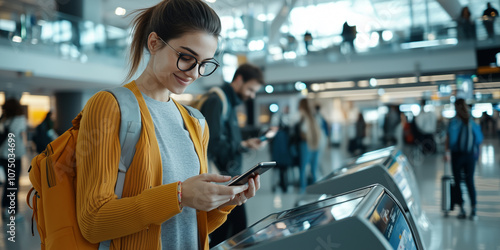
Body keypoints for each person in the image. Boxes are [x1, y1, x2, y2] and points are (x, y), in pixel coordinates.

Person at [75, 1, 260, 249]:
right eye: (186, 57)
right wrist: (179, 195)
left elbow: (189, 224)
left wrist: (225, 202)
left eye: (204, 63)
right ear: (154, 43)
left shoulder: (195, 122)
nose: (194, 73)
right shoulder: (111, 106)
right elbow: (93, 221)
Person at [198, 63, 265, 247]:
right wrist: (241, 145)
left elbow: (227, 140)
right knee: (232, 233)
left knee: (235, 232)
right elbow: (212, 143)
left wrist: (244, 145)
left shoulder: (229, 103)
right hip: (221, 181)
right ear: (239, 79)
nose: (252, 95)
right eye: (251, 89)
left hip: (231, 179)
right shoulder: (217, 100)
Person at [445, 99, 483, 220]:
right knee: (469, 181)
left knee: (457, 181)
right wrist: (478, 157)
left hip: (457, 155)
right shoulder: (471, 122)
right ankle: (474, 209)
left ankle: (461, 209)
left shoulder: (454, 123)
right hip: (470, 155)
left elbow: (449, 140)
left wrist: (447, 153)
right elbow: (479, 140)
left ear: (456, 107)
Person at [0, 98, 27, 220]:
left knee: (9, 183)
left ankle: (6, 209)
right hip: (14, 156)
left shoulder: (4, 119)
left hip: (3, 155)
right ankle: (13, 213)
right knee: (13, 184)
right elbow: (18, 135)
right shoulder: (20, 120)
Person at [297, 98, 322, 194]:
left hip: (305, 143)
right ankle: (315, 189)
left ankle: (302, 190)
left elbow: (303, 130)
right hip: (315, 143)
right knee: (313, 169)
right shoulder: (313, 115)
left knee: (303, 168)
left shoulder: (302, 114)